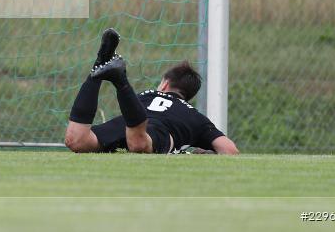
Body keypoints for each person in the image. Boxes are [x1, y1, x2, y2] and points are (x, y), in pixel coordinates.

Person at [64, 28, 239, 155]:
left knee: (77, 140)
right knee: (140, 144)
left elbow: (133, 113)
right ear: (188, 96)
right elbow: (229, 149)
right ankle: (120, 80)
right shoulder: (196, 117)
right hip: (150, 132)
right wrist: (206, 154)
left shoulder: (144, 96)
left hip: (127, 124)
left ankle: (97, 71)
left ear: (164, 84)